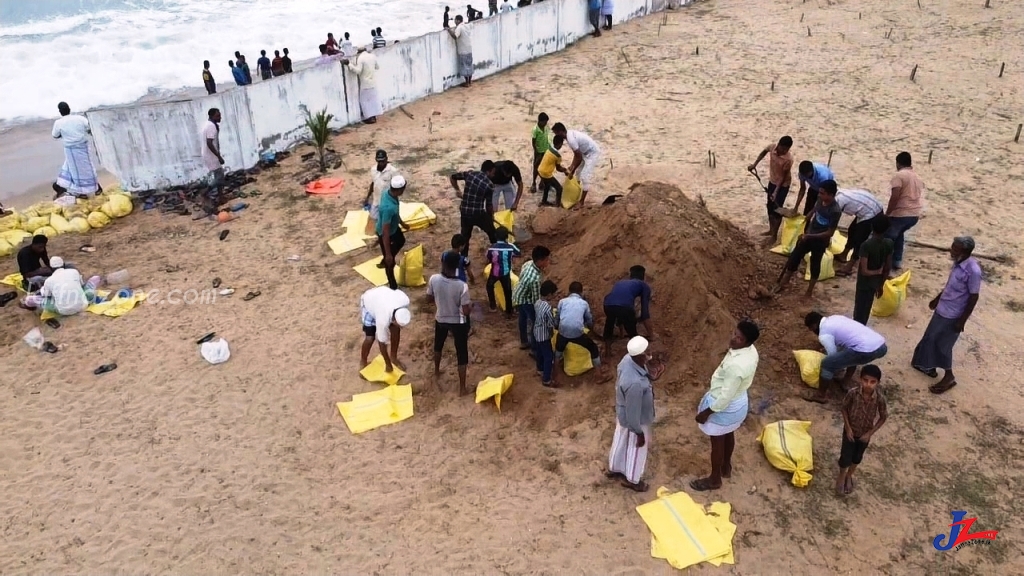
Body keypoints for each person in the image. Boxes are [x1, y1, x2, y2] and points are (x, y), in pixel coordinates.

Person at [691, 320, 761, 491]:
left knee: (717, 442)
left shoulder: (736, 366)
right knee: (728, 434)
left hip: (723, 407)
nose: (733, 339)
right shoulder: (751, 351)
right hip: (739, 402)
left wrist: (706, 413)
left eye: (739, 338)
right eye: (735, 334)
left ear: (747, 342)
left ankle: (715, 480)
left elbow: (724, 397)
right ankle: (726, 468)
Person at [911, 236, 981, 395]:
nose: (951, 249)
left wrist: (961, 321)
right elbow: (952, 286)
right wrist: (937, 298)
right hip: (943, 308)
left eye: (955, 248)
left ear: (964, 251)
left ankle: (949, 376)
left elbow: (973, 297)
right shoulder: (958, 263)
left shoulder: (973, 271)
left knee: (943, 344)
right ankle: (925, 365)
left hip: (953, 314)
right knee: (930, 336)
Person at [606, 336, 665, 492]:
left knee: (620, 439)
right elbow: (633, 412)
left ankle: (614, 468)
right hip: (637, 419)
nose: (649, 353)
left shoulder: (627, 360)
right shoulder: (635, 385)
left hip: (622, 412)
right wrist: (639, 432)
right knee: (637, 447)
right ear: (639, 356)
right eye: (647, 352)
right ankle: (632, 479)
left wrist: (652, 375)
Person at [773, 179, 841, 299]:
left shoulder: (835, 211)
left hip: (820, 241)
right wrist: (809, 215)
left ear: (831, 195)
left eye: (822, 193)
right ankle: (784, 282)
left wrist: (809, 236)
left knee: (815, 264)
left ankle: (809, 292)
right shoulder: (821, 200)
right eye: (819, 193)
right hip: (809, 235)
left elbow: (829, 232)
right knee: (795, 257)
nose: (819, 195)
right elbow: (815, 209)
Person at [803, 312, 888, 403]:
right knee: (850, 353)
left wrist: (831, 368)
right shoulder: (835, 318)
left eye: (811, 329)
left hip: (865, 350)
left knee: (827, 363)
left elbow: (832, 354)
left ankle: (821, 395)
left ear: (814, 326)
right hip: (881, 346)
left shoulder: (823, 334)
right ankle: (845, 382)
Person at [837, 365, 887, 496]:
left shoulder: (880, 399)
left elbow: (883, 417)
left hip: (865, 435)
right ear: (860, 379)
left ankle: (849, 475)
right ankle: (841, 476)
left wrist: (870, 433)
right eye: (865, 380)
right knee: (845, 456)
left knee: (857, 457)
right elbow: (843, 408)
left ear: (878, 383)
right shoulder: (853, 393)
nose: (868, 385)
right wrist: (847, 428)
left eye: (872, 382)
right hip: (850, 432)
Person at [428, 252, 473, 396]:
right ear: (457, 266)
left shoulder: (434, 279)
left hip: (440, 318)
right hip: (457, 322)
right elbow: (465, 312)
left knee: (438, 345)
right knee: (461, 353)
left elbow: (428, 299)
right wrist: (470, 307)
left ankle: (436, 371)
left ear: (443, 263)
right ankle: (462, 388)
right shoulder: (462, 286)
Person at [747, 136, 794, 242]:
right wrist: (755, 164)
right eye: (783, 149)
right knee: (769, 206)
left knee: (777, 209)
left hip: (783, 185)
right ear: (779, 145)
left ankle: (774, 236)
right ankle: (770, 229)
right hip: (772, 181)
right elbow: (763, 152)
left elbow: (783, 177)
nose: (784, 151)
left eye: (787, 150)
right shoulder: (772, 147)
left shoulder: (788, 159)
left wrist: (776, 192)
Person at [885, 152, 925, 272]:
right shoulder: (917, 177)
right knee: (899, 234)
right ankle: (897, 261)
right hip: (914, 214)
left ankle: (885, 264)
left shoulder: (899, 176)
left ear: (898, 163)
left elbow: (895, 196)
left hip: (902, 213)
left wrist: (888, 213)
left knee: (889, 237)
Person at [602, 265, 653, 357]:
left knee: (609, 323)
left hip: (608, 304)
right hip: (624, 307)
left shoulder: (620, 283)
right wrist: (651, 335)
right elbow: (645, 312)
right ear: (643, 276)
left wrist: (621, 333)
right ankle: (637, 354)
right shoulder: (643, 285)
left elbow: (616, 303)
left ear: (630, 275)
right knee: (632, 330)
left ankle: (607, 353)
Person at [51, 102, 100, 198]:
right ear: (69, 109)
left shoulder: (59, 123)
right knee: (87, 167)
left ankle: (83, 192)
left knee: (75, 171)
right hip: (83, 147)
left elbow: (55, 135)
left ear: (60, 112)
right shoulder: (80, 119)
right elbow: (90, 129)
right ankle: (95, 188)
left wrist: (65, 134)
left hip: (71, 150)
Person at [22, 257, 101, 316]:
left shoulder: (49, 281)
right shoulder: (74, 271)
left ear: (51, 268)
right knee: (95, 278)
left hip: (63, 311)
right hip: (83, 305)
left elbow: (47, 296)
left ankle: (28, 305)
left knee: (30, 299)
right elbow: (81, 285)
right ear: (63, 265)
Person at [450, 161, 498, 257]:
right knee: (492, 232)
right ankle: (497, 250)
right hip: (477, 214)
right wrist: (491, 217)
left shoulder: (470, 174)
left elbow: (453, 177)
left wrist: (457, 190)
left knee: (465, 237)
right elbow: (488, 206)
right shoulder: (489, 185)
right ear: (489, 171)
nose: (494, 175)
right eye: (493, 172)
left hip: (464, 212)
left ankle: (463, 258)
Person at [359, 286, 412, 372]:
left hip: (383, 296)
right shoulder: (383, 320)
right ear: (394, 320)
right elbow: (382, 343)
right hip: (369, 301)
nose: (402, 327)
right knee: (370, 338)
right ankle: (363, 361)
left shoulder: (405, 301)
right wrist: (388, 364)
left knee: (395, 330)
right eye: (399, 324)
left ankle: (393, 357)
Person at [834, 188, 885, 276]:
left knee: (859, 239)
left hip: (873, 212)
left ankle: (849, 267)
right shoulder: (839, 193)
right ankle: (843, 254)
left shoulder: (838, 201)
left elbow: (833, 219)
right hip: (867, 208)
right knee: (852, 230)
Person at [852, 216, 892, 325]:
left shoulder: (866, 245)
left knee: (859, 311)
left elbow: (864, 271)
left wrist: (877, 272)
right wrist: (881, 284)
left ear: (871, 227)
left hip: (864, 283)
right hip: (876, 283)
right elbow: (887, 267)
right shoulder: (889, 243)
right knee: (866, 309)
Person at [551, 123, 601, 209]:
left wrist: (572, 170)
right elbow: (577, 154)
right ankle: (576, 193)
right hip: (584, 152)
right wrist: (572, 167)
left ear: (561, 132)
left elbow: (578, 157)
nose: (556, 136)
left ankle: (581, 202)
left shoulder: (571, 140)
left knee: (585, 177)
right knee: (578, 172)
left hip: (592, 153)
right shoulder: (568, 135)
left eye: (556, 133)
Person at [512, 245, 552, 350]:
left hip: (518, 294)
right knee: (536, 322)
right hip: (526, 300)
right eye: (547, 259)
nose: (548, 262)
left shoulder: (528, 263)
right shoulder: (535, 279)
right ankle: (535, 348)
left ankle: (524, 341)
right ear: (540, 261)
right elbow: (536, 301)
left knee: (523, 318)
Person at [555, 282, 602, 370]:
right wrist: (591, 330)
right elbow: (589, 320)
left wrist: (556, 327)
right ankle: (599, 375)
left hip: (563, 331)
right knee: (593, 348)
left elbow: (557, 317)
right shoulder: (584, 303)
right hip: (577, 333)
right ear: (581, 292)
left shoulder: (562, 301)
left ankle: (554, 377)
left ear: (569, 291)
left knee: (558, 352)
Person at [377, 175, 409, 290]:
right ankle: (393, 286)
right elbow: (385, 233)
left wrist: (402, 223)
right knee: (390, 263)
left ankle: (386, 257)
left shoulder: (388, 193)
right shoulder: (388, 208)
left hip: (394, 229)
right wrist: (389, 254)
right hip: (387, 234)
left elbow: (396, 213)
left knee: (401, 240)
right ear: (399, 190)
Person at [485, 227, 521, 316]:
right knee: (508, 292)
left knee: (489, 286)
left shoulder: (492, 248)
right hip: (505, 273)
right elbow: (518, 253)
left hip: (494, 272)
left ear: (496, 236)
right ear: (506, 237)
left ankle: (493, 306)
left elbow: (488, 257)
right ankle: (509, 312)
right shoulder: (510, 247)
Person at [533, 280, 559, 387]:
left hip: (536, 332)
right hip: (544, 335)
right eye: (553, 294)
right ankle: (546, 379)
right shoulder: (547, 308)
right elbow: (550, 324)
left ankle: (540, 369)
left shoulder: (537, 302)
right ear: (549, 295)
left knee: (540, 352)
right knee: (548, 356)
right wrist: (552, 332)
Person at [345, 48, 381, 124]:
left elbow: (358, 71)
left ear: (359, 51)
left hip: (365, 83)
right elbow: (377, 67)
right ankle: (373, 117)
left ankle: (369, 118)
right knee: (373, 101)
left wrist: (349, 64)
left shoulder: (361, 58)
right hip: (373, 83)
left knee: (364, 101)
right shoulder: (372, 56)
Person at [366, 149, 400, 225]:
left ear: (386, 159)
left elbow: (397, 188)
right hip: (376, 200)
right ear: (376, 160)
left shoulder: (393, 171)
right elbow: (373, 183)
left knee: (388, 222)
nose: (381, 163)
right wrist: (367, 197)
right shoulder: (373, 169)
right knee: (374, 221)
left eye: (383, 161)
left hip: (388, 202)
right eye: (379, 161)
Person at [201, 108, 225, 210]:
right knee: (218, 176)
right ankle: (205, 193)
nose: (220, 117)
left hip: (209, 154)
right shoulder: (211, 126)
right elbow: (209, 143)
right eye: (217, 116)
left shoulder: (209, 124)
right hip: (211, 155)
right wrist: (218, 156)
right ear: (212, 116)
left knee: (219, 176)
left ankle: (221, 197)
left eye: (219, 115)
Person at [448, 15, 474, 86]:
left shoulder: (459, 27)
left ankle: (467, 83)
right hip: (469, 48)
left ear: (458, 20)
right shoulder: (467, 25)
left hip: (463, 50)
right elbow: (472, 24)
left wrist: (449, 30)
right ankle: (470, 81)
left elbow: (455, 36)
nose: (455, 22)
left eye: (455, 20)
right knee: (469, 65)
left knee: (464, 66)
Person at [530, 112, 552, 193]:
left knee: (544, 167)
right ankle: (533, 183)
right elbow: (533, 142)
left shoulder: (546, 127)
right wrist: (536, 152)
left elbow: (548, 137)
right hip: (539, 152)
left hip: (546, 150)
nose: (546, 124)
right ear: (540, 121)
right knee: (536, 167)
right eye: (544, 122)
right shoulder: (535, 129)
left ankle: (542, 182)